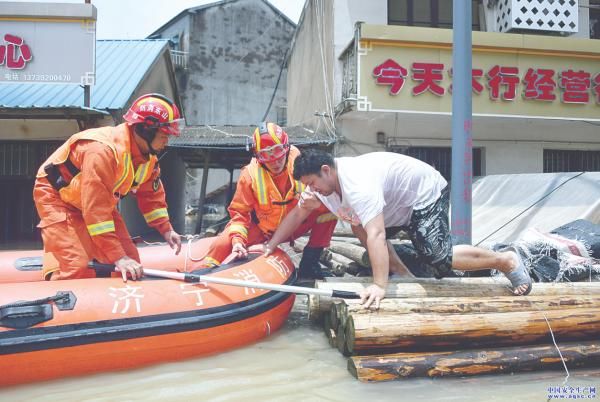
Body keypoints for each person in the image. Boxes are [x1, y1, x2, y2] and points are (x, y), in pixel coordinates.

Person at [263, 149, 533, 308]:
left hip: (423, 194)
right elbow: (296, 215)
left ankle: (506, 261)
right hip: (395, 205)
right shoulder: (321, 189)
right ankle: (402, 273)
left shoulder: (358, 184)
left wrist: (379, 286)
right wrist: (270, 246)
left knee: (438, 257)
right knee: (357, 225)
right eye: (307, 186)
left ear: (326, 170)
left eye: (313, 183)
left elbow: (378, 234)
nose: (311, 191)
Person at [33, 93, 184, 281]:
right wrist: (118, 257)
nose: (166, 141)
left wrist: (166, 229)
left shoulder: (148, 159)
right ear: (146, 130)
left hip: (98, 201)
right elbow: (96, 213)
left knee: (132, 261)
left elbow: (151, 196)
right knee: (77, 266)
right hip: (58, 198)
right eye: (164, 135)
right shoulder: (102, 151)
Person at [196, 122, 337, 279]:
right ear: (259, 157)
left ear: (286, 148)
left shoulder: (299, 161)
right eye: (268, 159)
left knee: (329, 210)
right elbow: (240, 214)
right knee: (221, 245)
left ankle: (310, 262)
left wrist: (318, 202)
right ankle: (204, 274)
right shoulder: (250, 175)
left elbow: (322, 192)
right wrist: (237, 242)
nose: (275, 163)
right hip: (262, 229)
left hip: (295, 225)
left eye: (279, 156)